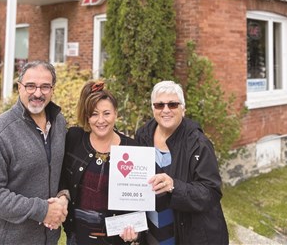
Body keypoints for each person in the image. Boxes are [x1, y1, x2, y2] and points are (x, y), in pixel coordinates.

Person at [0, 60, 69, 244]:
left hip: (49, 240)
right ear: (19, 87)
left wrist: (64, 196)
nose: (38, 93)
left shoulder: (59, 123)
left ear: (53, 89)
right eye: (31, 86)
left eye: (45, 87)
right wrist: (42, 210)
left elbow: (60, 169)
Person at [135, 80, 229, 245]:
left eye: (172, 105)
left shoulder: (198, 143)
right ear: (153, 109)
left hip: (190, 235)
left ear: (183, 109)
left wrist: (173, 186)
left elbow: (210, 192)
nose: (166, 110)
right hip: (154, 235)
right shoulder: (142, 136)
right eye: (159, 105)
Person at [59, 80, 143, 245]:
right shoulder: (75, 138)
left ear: (116, 114)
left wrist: (136, 232)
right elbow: (61, 175)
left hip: (115, 240)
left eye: (106, 113)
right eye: (94, 114)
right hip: (77, 238)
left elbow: (140, 198)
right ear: (87, 117)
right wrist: (62, 195)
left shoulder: (132, 149)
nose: (101, 120)